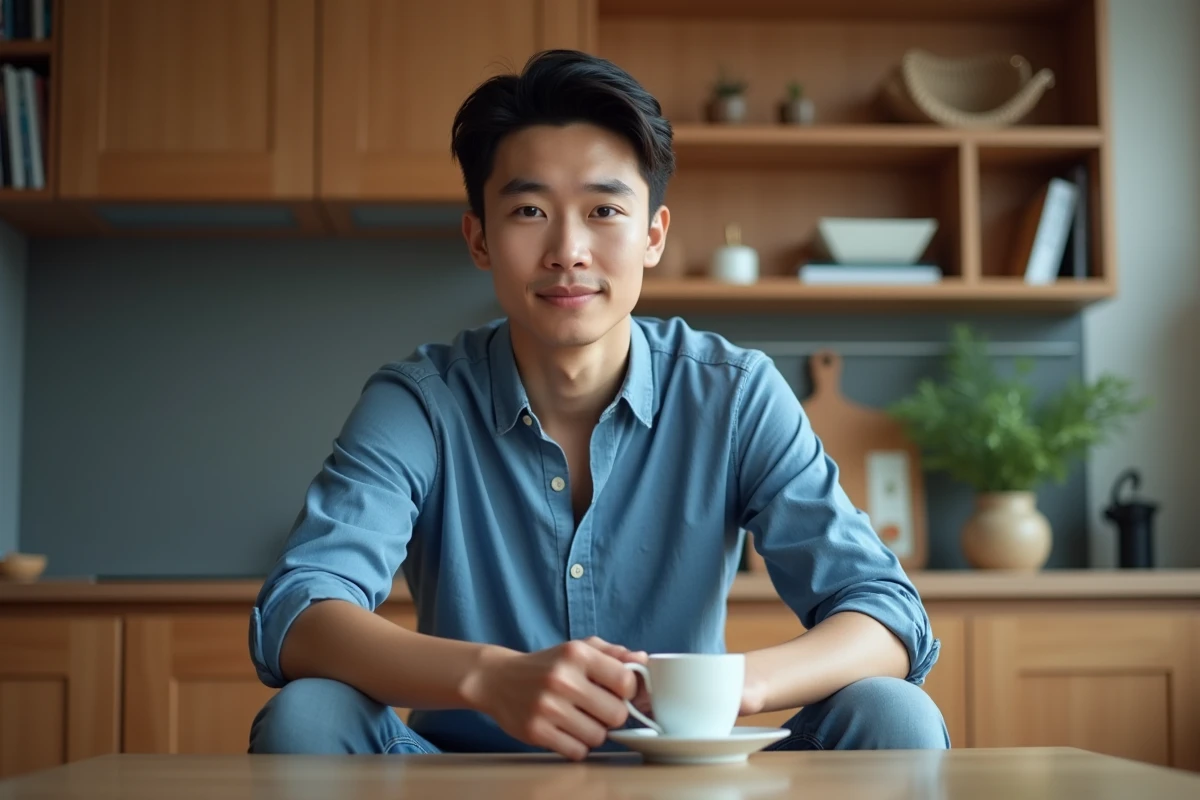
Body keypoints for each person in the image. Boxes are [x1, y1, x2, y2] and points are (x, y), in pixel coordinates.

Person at [247, 49, 947, 760]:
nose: (569, 250)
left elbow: (887, 615)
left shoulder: (733, 394)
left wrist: (740, 684)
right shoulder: (419, 405)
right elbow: (298, 612)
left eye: (604, 209)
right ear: (479, 238)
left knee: (893, 715)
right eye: (529, 210)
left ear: (652, 236)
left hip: (684, 776)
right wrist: (490, 678)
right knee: (309, 715)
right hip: (462, 781)